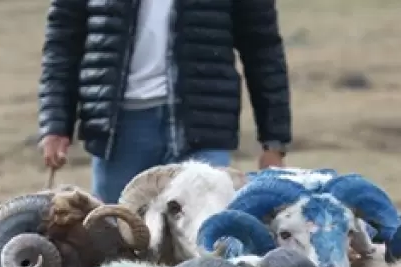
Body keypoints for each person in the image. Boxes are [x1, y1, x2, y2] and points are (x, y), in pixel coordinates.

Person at [37, 0, 292, 204]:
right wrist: (56, 124)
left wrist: (273, 141)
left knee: (202, 242)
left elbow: (262, 48)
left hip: (203, 124)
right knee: (117, 242)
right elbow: (63, 42)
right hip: (121, 132)